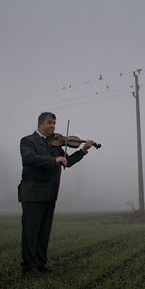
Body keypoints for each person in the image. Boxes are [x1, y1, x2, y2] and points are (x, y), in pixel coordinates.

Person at [18, 112, 94, 277]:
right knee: (31, 231)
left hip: (50, 194)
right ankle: (28, 266)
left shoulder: (54, 144)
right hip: (32, 194)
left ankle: (40, 263)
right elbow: (30, 158)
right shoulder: (28, 141)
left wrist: (84, 150)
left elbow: (68, 162)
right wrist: (54, 160)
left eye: (54, 123)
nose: (53, 126)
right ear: (40, 124)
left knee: (44, 231)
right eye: (49, 122)